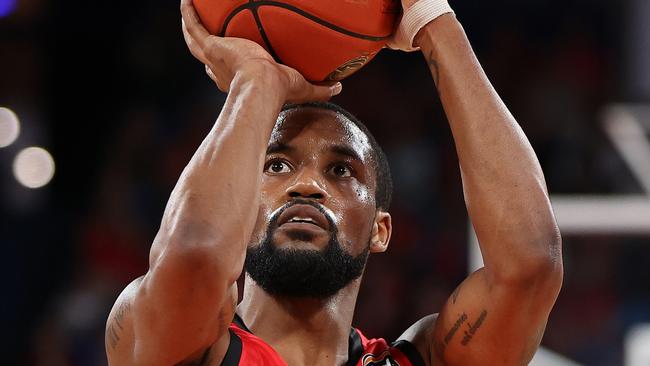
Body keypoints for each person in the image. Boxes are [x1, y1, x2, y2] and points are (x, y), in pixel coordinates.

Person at [105, 0, 564, 364]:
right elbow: (194, 258)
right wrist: (258, 82)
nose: (306, 185)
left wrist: (433, 20)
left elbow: (530, 267)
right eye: (277, 166)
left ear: (381, 229)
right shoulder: (181, 348)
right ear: (241, 208)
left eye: (341, 170)